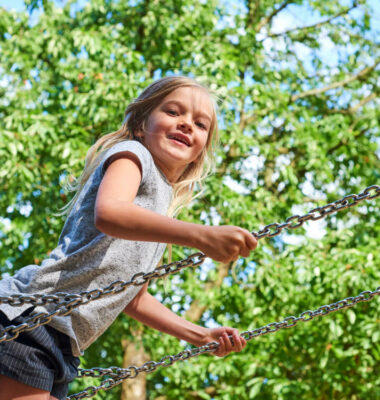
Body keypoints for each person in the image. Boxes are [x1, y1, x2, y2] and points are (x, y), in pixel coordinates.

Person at [0, 76, 258, 400]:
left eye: (200, 123)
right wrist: (201, 236)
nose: (186, 125)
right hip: (32, 316)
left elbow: (134, 297)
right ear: (140, 124)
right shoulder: (132, 154)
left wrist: (199, 334)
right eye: (173, 112)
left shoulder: (159, 215)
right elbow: (109, 213)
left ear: (202, 149)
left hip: (62, 343)